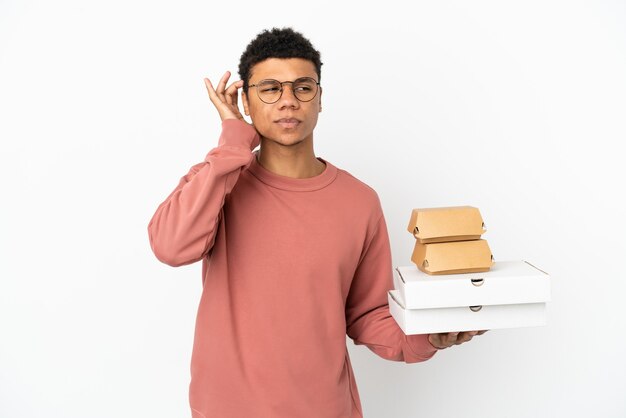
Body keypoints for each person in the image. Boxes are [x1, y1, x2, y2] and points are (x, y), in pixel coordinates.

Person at [148, 27, 485, 418]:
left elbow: (368, 314)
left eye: (303, 88)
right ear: (246, 101)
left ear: (320, 99)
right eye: (270, 88)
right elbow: (170, 247)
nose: (288, 101)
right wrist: (231, 141)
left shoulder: (359, 201)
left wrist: (429, 337)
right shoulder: (217, 181)